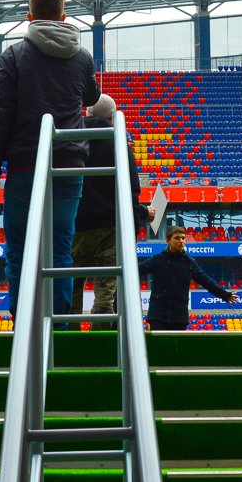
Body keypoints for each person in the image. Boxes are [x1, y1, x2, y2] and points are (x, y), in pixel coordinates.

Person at [0, 0, 100, 317]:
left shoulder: (13, 55)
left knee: (19, 248)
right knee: (60, 245)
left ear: (29, 17)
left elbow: (1, 111)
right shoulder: (82, 56)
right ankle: (58, 322)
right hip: (69, 162)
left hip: (25, 163)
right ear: (63, 17)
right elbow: (91, 98)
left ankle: (22, 319)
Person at [72, 94, 144, 321]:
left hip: (77, 222)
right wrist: (137, 220)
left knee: (73, 284)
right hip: (111, 225)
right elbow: (132, 188)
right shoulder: (118, 141)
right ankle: (102, 336)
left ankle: (67, 334)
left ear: (86, 113)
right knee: (105, 290)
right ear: (112, 118)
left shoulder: (70, 136)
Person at [138, 224, 236, 331]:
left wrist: (225, 295)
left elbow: (206, 281)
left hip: (179, 316)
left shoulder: (189, 262)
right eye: (177, 238)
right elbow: (137, 270)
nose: (181, 241)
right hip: (158, 315)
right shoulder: (157, 259)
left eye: (183, 238)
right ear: (168, 240)